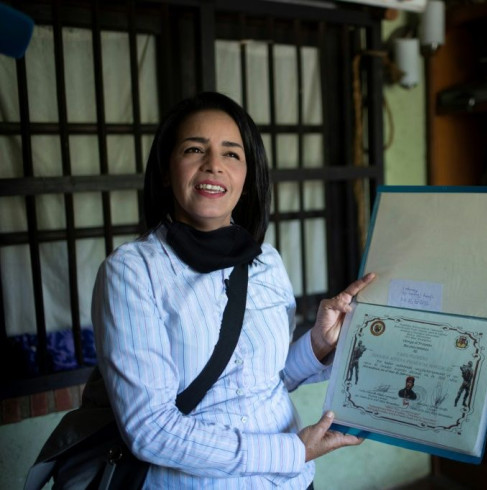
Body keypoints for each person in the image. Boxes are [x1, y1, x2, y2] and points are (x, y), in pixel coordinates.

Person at [91, 91, 375, 489]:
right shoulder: (132, 272)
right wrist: (293, 451)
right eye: (194, 149)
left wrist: (317, 344)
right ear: (165, 169)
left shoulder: (266, 262)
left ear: (247, 175)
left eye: (231, 154)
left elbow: (264, 381)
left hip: (292, 482)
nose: (213, 166)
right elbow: (150, 429)